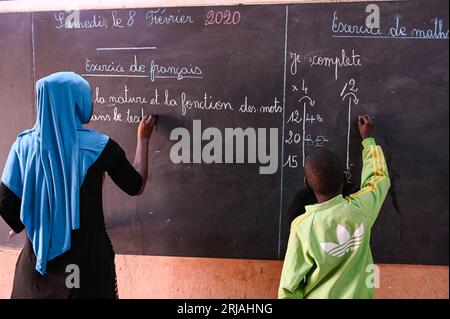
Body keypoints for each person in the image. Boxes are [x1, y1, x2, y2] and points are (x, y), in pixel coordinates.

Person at [0, 72, 156, 298]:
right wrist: (143, 138)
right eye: (87, 94)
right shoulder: (101, 147)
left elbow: (5, 202)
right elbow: (135, 185)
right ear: (75, 100)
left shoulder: (22, 145)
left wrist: (27, 220)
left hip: (36, 272)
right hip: (86, 270)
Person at [278, 115, 391, 299]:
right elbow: (378, 179)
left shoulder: (303, 227)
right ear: (345, 179)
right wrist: (368, 141)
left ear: (306, 183)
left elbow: (290, 288)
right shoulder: (360, 209)